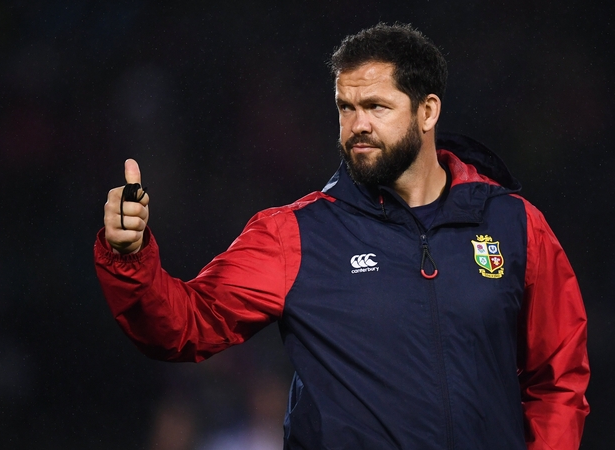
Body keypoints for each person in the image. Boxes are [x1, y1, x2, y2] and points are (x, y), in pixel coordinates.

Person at [95, 23, 589, 450]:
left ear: (427, 111)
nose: (357, 126)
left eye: (376, 106)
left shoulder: (514, 224)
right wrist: (129, 257)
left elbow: (559, 378)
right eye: (345, 108)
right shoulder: (295, 235)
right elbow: (183, 326)